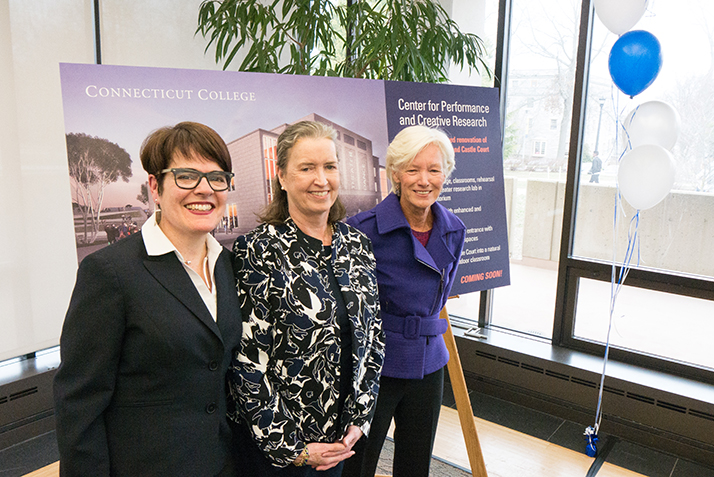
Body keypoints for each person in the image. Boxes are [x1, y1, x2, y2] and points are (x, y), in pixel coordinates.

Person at [53, 122, 242, 476]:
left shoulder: (227, 265)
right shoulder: (110, 272)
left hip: (219, 463)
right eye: (186, 176)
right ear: (155, 187)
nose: (205, 190)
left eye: (217, 178)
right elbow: (79, 402)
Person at [230, 120, 384, 476]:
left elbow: (374, 337)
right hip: (283, 452)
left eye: (330, 166)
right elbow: (247, 363)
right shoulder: (258, 250)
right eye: (307, 168)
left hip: (341, 443)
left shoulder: (357, 245)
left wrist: (361, 417)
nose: (322, 179)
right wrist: (294, 449)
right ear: (282, 177)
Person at [343, 125, 465, 477]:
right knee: (358, 465)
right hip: (375, 367)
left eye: (434, 169)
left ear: (446, 173)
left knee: (415, 466)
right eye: (412, 169)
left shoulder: (454, 229)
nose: (423, 180)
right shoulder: (361, 230)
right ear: (395, 173)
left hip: (429, 364)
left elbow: (438, 297)